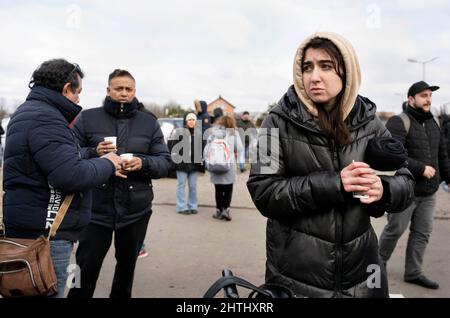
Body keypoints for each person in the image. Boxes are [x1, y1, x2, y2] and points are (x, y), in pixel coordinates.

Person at [246, 32, 415, 298]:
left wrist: (383, 189)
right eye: (307, 67)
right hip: (295, 278)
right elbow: (263, 191)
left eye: (325, 66)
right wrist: (336, 183)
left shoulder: (370, 123)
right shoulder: (275, 123)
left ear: (347, 72)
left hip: (362, 275)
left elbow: (406, 179)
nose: (314, 76)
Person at [2, 59, 122, 298]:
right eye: (78, 92)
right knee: (47, 291)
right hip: (45, 235)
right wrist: (108, 163)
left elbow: (50, 160)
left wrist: (90, 153)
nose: (78, 99)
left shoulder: (30, 112)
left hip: (30, 226)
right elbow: (70, 175)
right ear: (67, 88)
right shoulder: (46, 118)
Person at [67, 69, 172, 298]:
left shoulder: (149, 122)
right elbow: (68, 154)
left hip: (135, 210)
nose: (124, 93)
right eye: (119, 88)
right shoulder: (88, 117)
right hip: (94, 208)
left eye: (128, 89)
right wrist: (93, 152)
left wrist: (142, 163)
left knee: (126, 271)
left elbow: (165, 162)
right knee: (84, 269)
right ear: (108, 90)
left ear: (134, 92)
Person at [379, 81, 450, 290]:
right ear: (411, 99)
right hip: (405, 191)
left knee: (422, 233)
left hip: (429, 192)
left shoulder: (434, 123)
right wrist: (420, 169)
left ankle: (413, 272)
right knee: (394, 230)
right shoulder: (398, 122)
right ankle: (375, 265)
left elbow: (442, 155)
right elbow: (392, 155)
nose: (428, 99)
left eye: (430, 96)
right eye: (423, 96)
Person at [168, 112, 205, 215]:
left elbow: (201, 149)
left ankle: (193, 206)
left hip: (194, 165)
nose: (191, 122)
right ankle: (181, 207)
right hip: (181, 164)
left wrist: (201, 163)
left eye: (193, 120)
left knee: (193, 186)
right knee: (181, 185)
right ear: (186, 121)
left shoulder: (198, 133)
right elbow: (172, 147)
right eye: (189, 120)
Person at [207, 115, 243, 221]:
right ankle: (226, 210)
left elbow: (208, 147)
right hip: (229, 165)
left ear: (220, 122)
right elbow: (240, 148)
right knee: (228, 189)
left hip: (215, 164)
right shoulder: (233, 133)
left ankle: (218, 210)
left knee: (218, 189)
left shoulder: (213, 133)